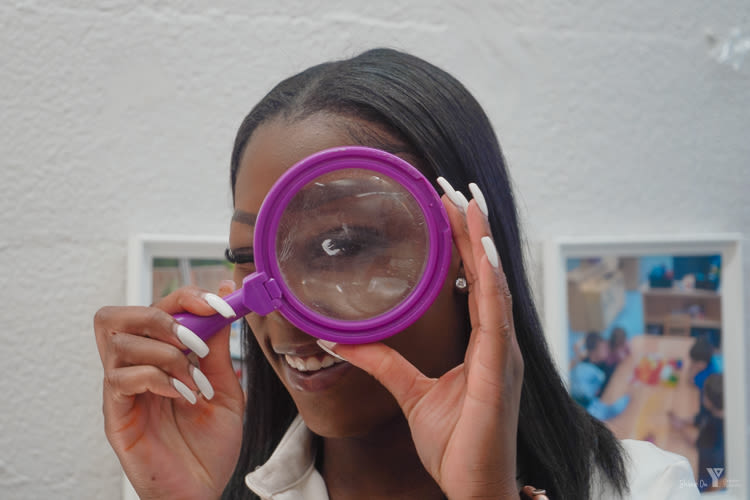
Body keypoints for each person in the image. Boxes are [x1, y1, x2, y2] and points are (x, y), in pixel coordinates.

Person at [94, 48, 699, 499]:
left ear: (467, 252)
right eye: (246, 258)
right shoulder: (211, 480)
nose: (278, 310)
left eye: (342, 246)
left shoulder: (648, 487)